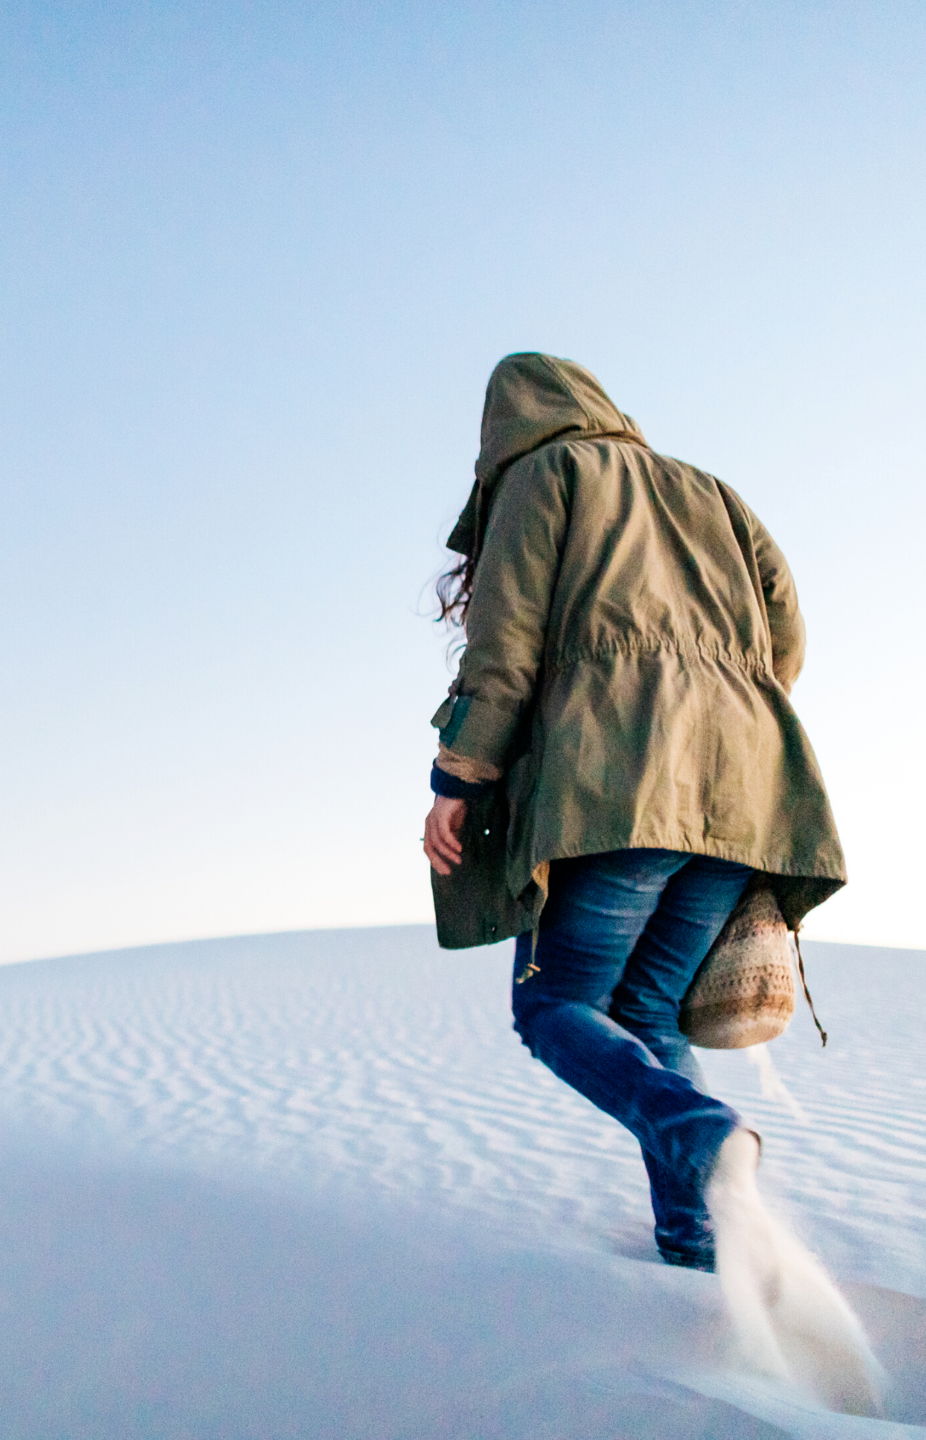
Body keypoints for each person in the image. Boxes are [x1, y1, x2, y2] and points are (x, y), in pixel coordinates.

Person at [422, 352, 847, 1276]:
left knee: (553, 1004)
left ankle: (700, 1132)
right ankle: (697, 1241)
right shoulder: (711, 492)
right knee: (647, 1011)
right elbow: (788, 637)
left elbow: (505, 650)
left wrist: (459, 776)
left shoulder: (544, 475)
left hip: (619, 781)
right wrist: (723, 709)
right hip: (749, 787)